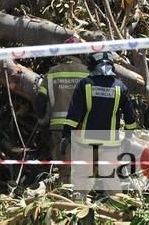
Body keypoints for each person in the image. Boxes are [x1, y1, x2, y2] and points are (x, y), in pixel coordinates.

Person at [61, 52, 138, 192]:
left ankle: (78, 209)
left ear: (92, 65)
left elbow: (74, 115)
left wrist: (66, 135)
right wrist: (128, 138)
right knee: (111, 178)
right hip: (110, 143)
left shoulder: (85, 84)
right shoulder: (121, 87)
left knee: (81, 177)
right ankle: (119, 208)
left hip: (85, 142)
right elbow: (130, 119)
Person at [34, 40, 88, 184]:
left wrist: (41, 119)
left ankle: (65, 192)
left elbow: (40, 101)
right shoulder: (87, 73)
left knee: (64, 165)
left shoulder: (52, 73)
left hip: (58, 126)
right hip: (81, 126)